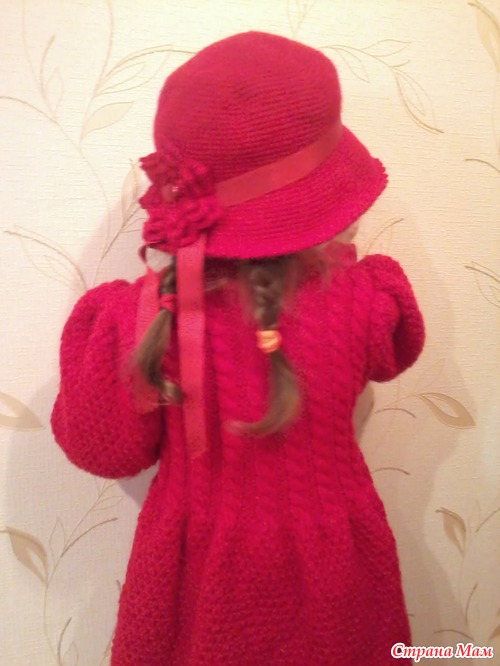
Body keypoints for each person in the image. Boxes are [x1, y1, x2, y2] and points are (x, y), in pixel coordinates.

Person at [51, 31, 425, 666]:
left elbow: (103, 450)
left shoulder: (146, 318)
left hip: (194, 587)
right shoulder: (369, 299)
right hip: (338, 576)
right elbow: (398, 351)